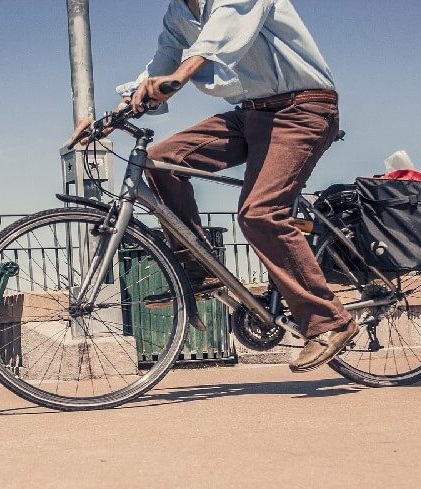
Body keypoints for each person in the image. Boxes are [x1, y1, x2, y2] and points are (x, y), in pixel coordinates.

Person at [115, 0, 358, 373]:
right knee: (164, 160)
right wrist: (117, 110)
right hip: (252, 112)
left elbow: (220, 37)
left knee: (260, 213)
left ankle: (329, 321)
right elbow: (163, 59)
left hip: (303, 109)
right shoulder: (178, 13)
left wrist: (179, 78)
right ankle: (196, 269)